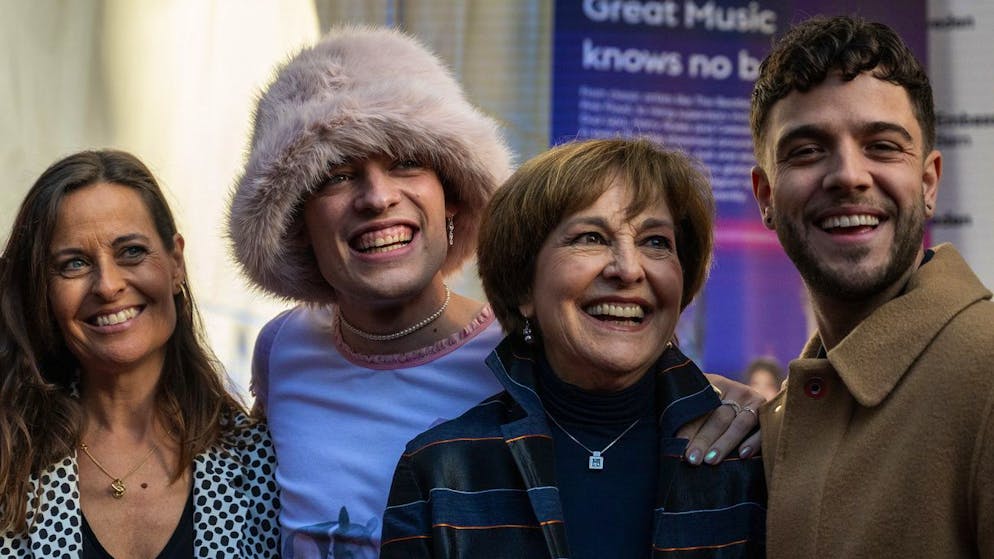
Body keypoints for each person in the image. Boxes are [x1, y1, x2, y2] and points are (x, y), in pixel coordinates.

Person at [228, 25, 763, 557]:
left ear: (454, 197)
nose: (377, 198)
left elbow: (626, 384)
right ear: (296, 221)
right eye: (336, 175)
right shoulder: (282, 350)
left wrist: (723, 402)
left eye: (406, 162)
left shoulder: (526, 348)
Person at [381, 138, 767, 558]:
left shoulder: (751, 453)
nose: (628, 269)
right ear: (523, 286)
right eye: (591, 237)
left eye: (656, 242)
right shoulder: (440, 471)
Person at [750, 16, 994, 557]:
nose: (849, 176)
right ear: (765, 195)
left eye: (882, 146)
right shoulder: (777, 419)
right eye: (807, 150)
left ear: (929, 182)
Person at [0, 150, 279, 557]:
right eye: (74, 263)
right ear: (43, 290)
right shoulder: (10, 464)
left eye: (131, 251)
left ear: (175, 262)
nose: (107, 285)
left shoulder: (259, 461)